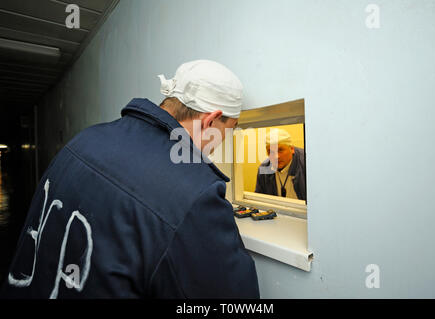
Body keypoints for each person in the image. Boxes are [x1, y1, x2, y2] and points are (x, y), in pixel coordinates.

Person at [0, 60, 259, 298]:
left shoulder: (84, 139)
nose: (220, 144)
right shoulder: (195, 192)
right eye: (229, 131)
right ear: (211, 120)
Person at [255, 128, 307, 200]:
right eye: (271, 152)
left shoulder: (307, 164)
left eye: (280, 150)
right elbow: (260, 200)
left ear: (292, 149)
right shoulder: (264, 169)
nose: (276, 156)